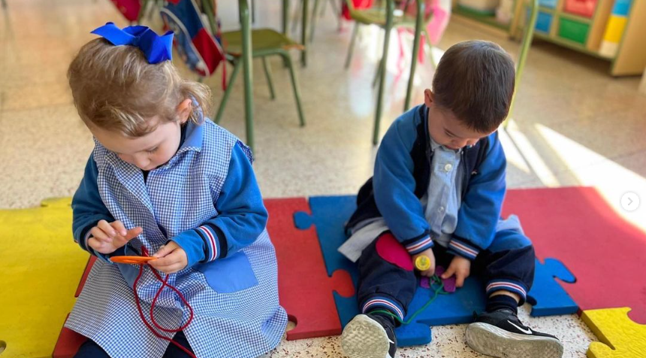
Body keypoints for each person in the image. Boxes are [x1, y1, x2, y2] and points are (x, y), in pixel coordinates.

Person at [66, 22, 286, 358]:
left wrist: (195, 245)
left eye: (151, 149)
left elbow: (248, 217)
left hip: (216, 263)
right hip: (138, 272)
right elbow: (86, 211)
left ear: (182, 111)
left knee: (200, 345)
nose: (138, 162)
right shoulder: (104, 158)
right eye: (120, 152)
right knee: (96, 351)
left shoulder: (222, 154)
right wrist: (98, 235)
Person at [339, 40, 564, 358]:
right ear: (429, 100)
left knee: (517, 246)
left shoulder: (488, 144)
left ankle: (502, 316)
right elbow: (394, 192)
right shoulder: (404, 133)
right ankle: (381, 325)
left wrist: (465, 252)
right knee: (384, 253)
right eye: (451, 135)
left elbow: (486, 198)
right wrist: (418, 243)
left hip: (461, 224)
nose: (463, 144)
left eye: (475, 138)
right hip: (402, 223)